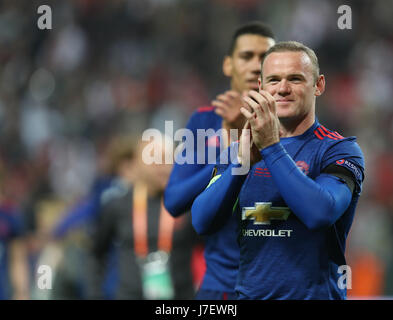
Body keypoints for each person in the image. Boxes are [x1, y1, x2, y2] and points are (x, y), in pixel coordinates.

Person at [192, 41, 365, 299]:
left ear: (318, 85)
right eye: (273, 80)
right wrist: (240, 166)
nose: (282, 89)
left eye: (295, 79)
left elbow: (320, 213)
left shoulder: (338, 151)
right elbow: (202, 221)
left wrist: (272, 148)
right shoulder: (240, 151)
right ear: (261, 87)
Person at [164, 22, 275, 299]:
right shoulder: (204, 120)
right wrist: (233, 149)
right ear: (228, 65)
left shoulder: (289, 122)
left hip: (276, 283)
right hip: (221, 285)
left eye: (264, 58)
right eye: (246, 56)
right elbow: (174, 200)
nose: (254, 65)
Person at [87, 136, 197, 299]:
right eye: (154, 159)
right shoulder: (117, 206)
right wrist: (95, 295)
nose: (162, 166)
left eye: (168, 158)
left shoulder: (188, 205)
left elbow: (214, 248)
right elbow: (95, 254)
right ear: (137, 163)